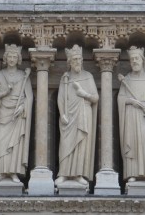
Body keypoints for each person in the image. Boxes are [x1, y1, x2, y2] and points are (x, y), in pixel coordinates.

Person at [0, 44, 32, 184]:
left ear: (18, 59)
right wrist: (4, 93)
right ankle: (1, 172)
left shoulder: (23, 76)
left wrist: (23, 107)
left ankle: (13, 172)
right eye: (9, 56)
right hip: (4, 114)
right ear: (6, 58)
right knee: (2, 142)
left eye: (15, 56)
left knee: (16, 143)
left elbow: (29, 97)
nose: (12, 59)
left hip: (18, 114)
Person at [55, 44, 98, 187]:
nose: (77, 62)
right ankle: (64, 173)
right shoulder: (65, 78)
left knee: (82, 143)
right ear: (69, 62)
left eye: (79, 59)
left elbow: (95, 98)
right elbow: (60, 98)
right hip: (69, 115)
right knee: (66, 144)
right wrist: (62, 114)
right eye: (74, 60)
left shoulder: (88, 76)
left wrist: (83, 94)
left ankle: (79, 173)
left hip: (84, 113)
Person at [117, 46, 145, 185]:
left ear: (142, 60)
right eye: (132, 59)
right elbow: (121, 98)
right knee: (132, 143)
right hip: (131, 113)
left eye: (136, 58)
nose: (134, 61)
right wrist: (131, 101)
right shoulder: (126, 80)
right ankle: (132, 173)